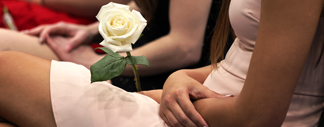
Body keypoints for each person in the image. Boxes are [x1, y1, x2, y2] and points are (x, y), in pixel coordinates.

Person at [0, 0, 323, 127]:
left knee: (7, 69)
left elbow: (257, 116)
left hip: (201, 110)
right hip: (192, 94)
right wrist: (179, 80)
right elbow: (240, 60)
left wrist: (101, 60)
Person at [0, 0, 227, 91]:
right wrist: (89, 31)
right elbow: (143, 4)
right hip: (127, 51)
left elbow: (184, 47)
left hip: (163, 75)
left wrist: (101, 63)